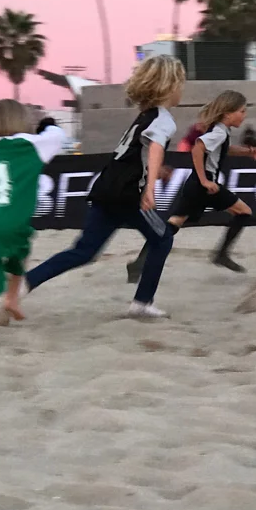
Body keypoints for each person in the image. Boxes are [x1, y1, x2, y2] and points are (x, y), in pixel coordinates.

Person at [24, 55, 185, 319]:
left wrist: (159, 171)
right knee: (163, 239)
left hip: (106, 188)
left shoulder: (144, 116)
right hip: (129, 195)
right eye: (180, 84)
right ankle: (142, 302)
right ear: (170, 85)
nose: (182, 90)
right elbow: (154, 148)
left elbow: (137, 154)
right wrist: (150, 189)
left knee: (84, 251)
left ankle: (26, 282)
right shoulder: (163, 119)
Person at [126, 90, 256, 281]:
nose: (244, 115)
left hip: (196, 186)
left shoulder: (221, 131)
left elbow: (223, 148)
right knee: (244, 212)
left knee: (173, 225)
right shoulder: (220, 131)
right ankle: (221, 254)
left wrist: (247, 152)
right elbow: (198, 148)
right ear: (228, 113)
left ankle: (138, 264)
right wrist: (205, 180)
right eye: (242, 111)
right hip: (205, 186)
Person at [0, 101, 66, 348]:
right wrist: (46, 123)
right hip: (14, 222)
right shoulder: (30, 145)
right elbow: (57, 137)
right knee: (19, 253)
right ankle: (11, 299)